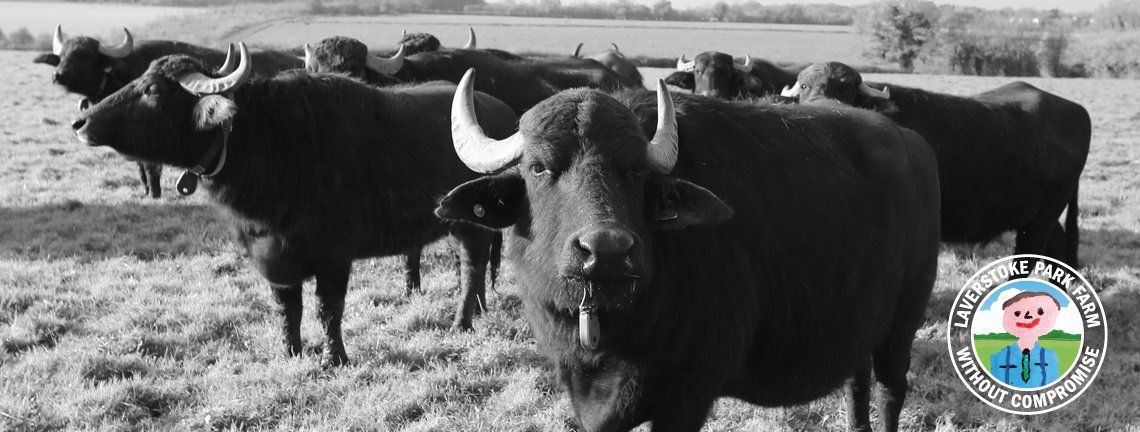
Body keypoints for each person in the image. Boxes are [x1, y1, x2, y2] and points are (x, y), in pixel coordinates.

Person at [990, 291, 1062, 388]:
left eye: (1039, 312)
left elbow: (1054, 385)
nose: (1028, 316)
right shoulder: (999, 357)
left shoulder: (1050, 357)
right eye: (1017, 313)